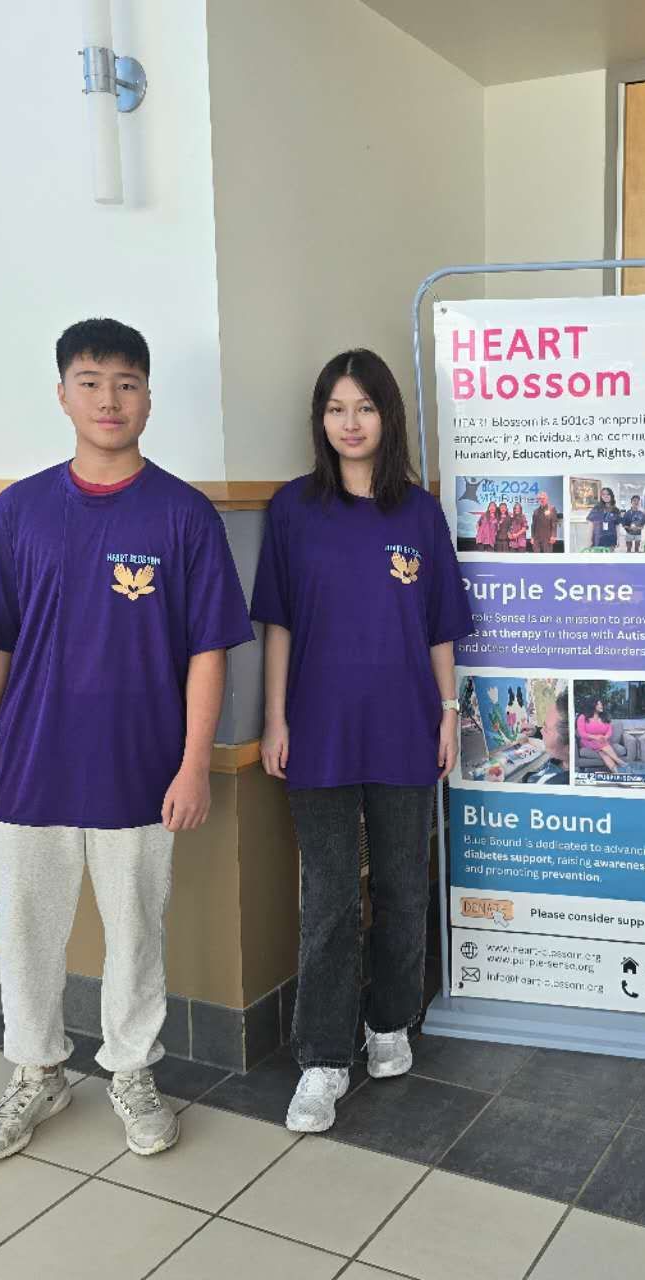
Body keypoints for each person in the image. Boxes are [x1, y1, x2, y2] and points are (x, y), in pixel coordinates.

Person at [0, 318, 254, 1163]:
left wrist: (194, 765)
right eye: (90, 382)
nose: (109, 399)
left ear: (149, 397)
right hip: (33, 767)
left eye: (126, 382)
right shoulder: (19, 510)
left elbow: (207, 653)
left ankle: (130, 1071)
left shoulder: (184, 516)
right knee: (28, 926)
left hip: (142, 769)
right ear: (62, 395)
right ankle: (36, 1071)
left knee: (135, 932)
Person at [251, 348, 475, 1134]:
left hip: (406, 727)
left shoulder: (417, 512)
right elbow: (276, 624)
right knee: (332, 899)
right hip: (316, 730)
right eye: (336, 408)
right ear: (321, 420)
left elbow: (442, 626)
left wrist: (448, 712)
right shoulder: (292, 510)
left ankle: (389, 1023)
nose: (350, 423)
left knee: (404, 886)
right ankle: (321, 1057)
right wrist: (275, 719)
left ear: (389, 417)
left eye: (365, 407)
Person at [524, 687, 571, 785]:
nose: (541, 730)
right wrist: (535, 731)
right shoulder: (565, 759)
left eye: (546, 729)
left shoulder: (552, 786)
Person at [576, 697, 623, 773]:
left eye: (601, 704)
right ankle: (619, 761)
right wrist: (596, 737)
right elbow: (582, 734)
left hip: (602, 741)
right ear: (592, 705)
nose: (601, 706)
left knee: (603, 753)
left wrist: (606, 737)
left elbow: (609, 730)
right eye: (598, 704)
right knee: (599, 741)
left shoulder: (604, 717)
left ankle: (617, 773)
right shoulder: (583, 717)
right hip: (587, 741)